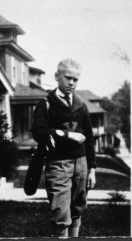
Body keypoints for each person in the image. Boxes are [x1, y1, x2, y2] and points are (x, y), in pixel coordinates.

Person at [32, 58, 96, 237]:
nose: (72, 83)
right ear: (57, 76)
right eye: (68, 78)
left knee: (77, 209)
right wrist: (66, 134)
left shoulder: (81, 105)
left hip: (81, 163)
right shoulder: (46, 103)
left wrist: (92, 169)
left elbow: (89, 138)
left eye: (76, 79)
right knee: (60, 213)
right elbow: (38, 131)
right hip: (59, 164)